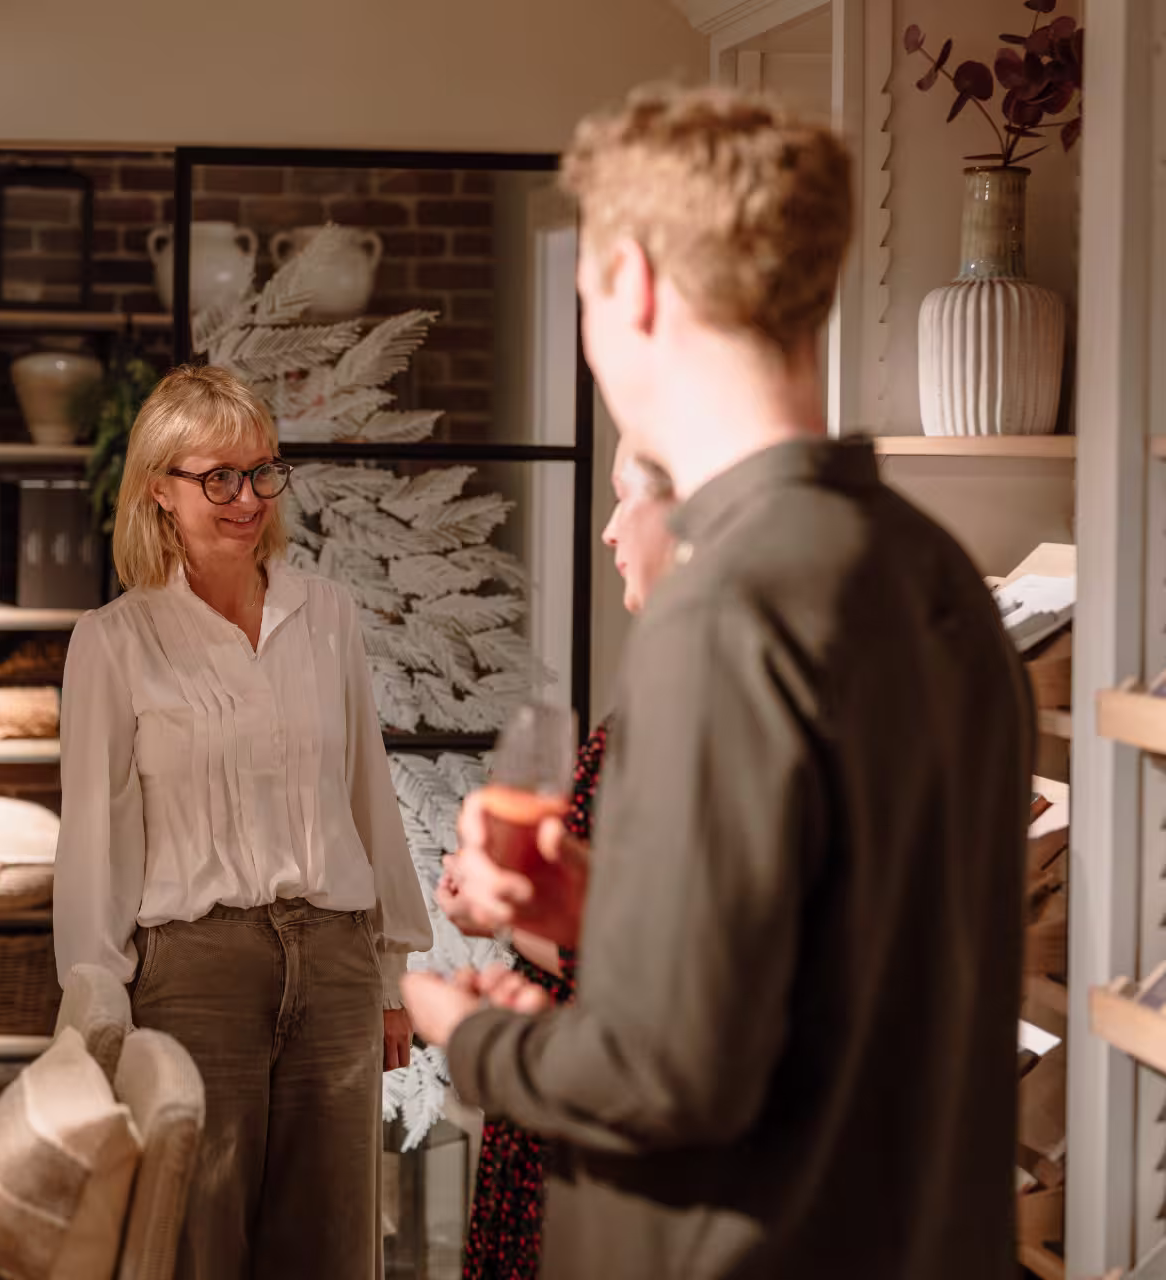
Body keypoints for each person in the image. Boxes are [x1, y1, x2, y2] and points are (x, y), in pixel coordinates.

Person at [403, 85, 1030, 1279]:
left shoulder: (725, 605)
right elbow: (846, 962)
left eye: (586, 292)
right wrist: (604, 910)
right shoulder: (937, 570)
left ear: (633, 284)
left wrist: (474, 1037)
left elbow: (668, 1073)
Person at [54, 364, 431, 1279]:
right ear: (160, 489)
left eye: (262, 471)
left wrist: (389, 974)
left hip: (336, 964)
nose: (248, 498)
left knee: (335, 1246)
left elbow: (366, 793)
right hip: (194, 973)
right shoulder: (114, 640)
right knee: (197, 1242)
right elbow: (97, 840)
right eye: (218, 478)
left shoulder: (327, 615)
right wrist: (96, 1013)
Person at [447, 443, 676, 1280]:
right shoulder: (660, 694)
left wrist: (497, 917)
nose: (608, 531)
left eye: (623, 498)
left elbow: (634, 955)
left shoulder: (680, 720)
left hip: (586, 1097)